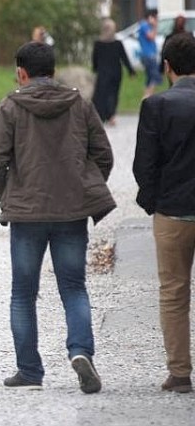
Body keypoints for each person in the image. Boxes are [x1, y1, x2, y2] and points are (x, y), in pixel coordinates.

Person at [0, 41, 115, 394]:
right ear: (53, 71)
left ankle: (29, 370)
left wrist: (7, 192)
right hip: (71, 211)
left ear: (21, 73)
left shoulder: (10, 107)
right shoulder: (79, 105)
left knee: (23, 293)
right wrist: (84, 185)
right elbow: (103, 154)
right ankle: (81, 351)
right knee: (73, 287)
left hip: (27, 215)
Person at [133, 34, 195, 394]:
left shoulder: (156, 107)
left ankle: (180, 373)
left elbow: (145, 166)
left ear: (167, 67)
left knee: (173, 293)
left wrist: (153, 202)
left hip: (172, 212)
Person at [91, 18, 135, 125]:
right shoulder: (117, 44)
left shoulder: (98, 44)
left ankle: (102, 116)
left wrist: (95, 68)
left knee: (101, 95)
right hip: (116, 73)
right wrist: (131, 71)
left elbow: (94, 58)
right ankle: (111, 116)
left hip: (103, 73)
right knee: (113, 94)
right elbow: (124, 58)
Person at [138, 8, 162, 98]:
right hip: (148, 55)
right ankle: (148, 97)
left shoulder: (147, 26)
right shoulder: (144, 25)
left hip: (150, 55)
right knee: (155, 78)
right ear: (151, 17)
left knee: (149, 78)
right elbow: (151, 36)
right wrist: (155, 26)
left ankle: (146, 97)